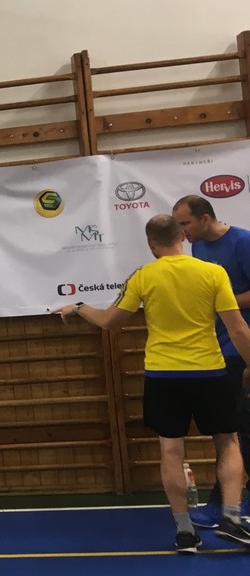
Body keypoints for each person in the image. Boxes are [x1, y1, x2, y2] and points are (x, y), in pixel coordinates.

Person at [57, 213, 250, 552]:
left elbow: (108, 321)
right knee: (228, 441)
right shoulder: (213, 272)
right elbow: (237, 328)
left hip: (163, 375)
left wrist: (79, 306)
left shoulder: (143, 276)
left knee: (171, 450)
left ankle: (185, 532)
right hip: (209, 371)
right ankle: (232, 519)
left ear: (150, 244)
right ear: (182, 237)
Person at [171, 195, 250, 527]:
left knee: (235, 428)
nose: (181, 231)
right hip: (215, 348)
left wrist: (221, 301)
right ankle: (228, 502)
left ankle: (224, 504)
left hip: (241, 347)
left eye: (185, 223)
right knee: (232, 428)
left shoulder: (243, 242)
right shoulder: (198, 246)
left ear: (205, 218)